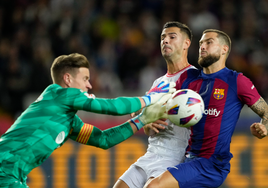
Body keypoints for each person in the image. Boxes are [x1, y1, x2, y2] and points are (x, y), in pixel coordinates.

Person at [0, 53, 175, 188]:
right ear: (68, 79)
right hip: (4, 169)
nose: (89, 85)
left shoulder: (69, 122)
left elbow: (103, 140)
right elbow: (112, 107)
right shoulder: (58, 93)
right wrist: (151, 98)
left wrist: (141, 119)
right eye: (85, 79)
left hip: (13, 175)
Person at [143, 29, 268, 188]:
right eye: (201, 43)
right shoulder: (188, 79)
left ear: (224, 49)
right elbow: (158, 104)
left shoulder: (236, 81)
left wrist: (264, 127)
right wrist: (148, 121)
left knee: (153, 186)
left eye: (209, 42)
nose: (202, 46)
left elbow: (266, 111)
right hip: (189, 158)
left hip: (212, 164)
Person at [113, 21, 195, 188]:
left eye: (172, 37)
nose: (165, 41)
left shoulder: (196, 79)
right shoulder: (158, 82)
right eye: (163, 37)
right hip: (151, 155)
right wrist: (147, 122)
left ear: (186, 43)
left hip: (175, 158)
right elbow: (149, 129)